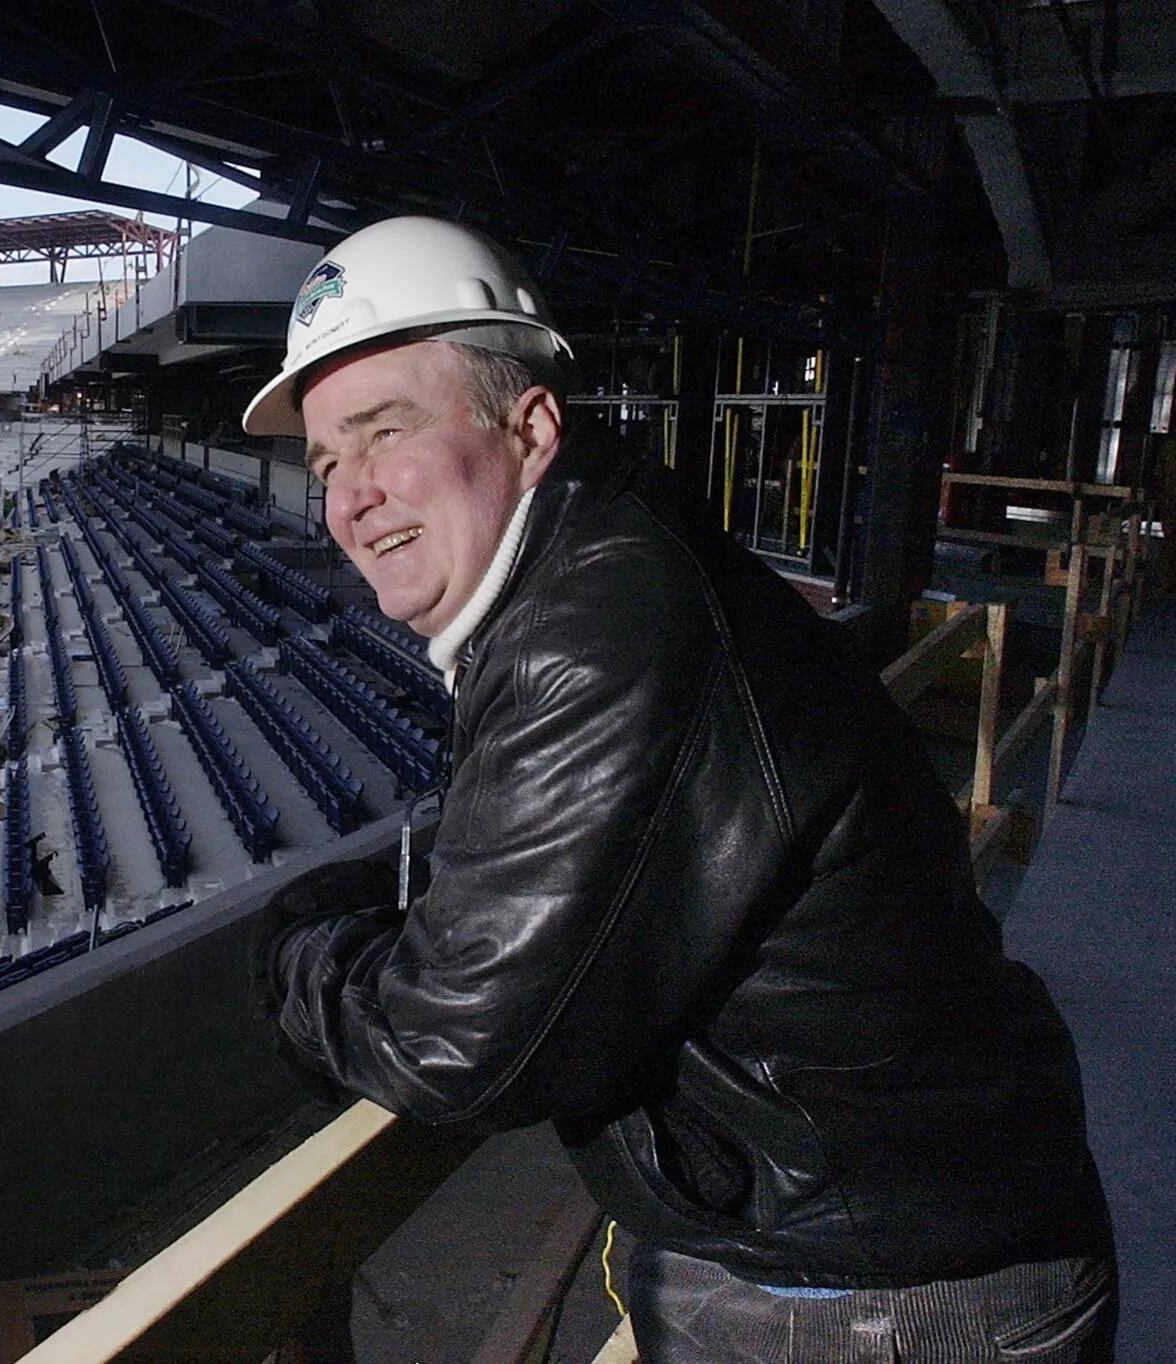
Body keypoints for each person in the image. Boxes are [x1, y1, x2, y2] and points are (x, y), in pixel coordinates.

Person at [243, 217, 1116, 1362]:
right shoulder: (598, 565)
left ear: (529, 425)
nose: (348, 497)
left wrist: (288, 945)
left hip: (867, 1301)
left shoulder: (599, 623)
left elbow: (450, 1047)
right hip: (890, 1242)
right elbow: (514, 856)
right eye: (324, 462)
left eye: (383, 431)